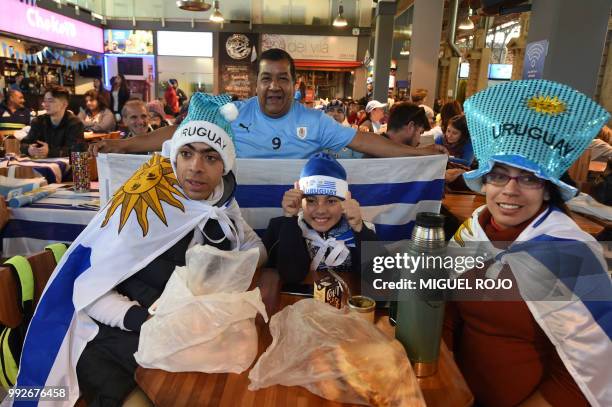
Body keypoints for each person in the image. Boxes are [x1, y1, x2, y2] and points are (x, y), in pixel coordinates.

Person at [16, 93, 267, 407]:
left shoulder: (221, 205)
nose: (196, 168)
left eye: (211, 157)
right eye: (187, 154)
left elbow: (254, 246)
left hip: (174, 333)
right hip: (106, 333)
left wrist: (231, 269)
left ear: (224, 167)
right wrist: (144, 320)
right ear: (174, 157)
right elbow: (89, 291)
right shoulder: (143, 205)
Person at [446, 79, 611, 407]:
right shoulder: (473, 230)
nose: (510, 190)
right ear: (485, 183)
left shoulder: (570, 254)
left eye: (529, 178)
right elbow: (447, 311)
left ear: (548, 189)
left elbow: (589, 372)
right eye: (498, 175)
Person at [90, 48, 446, 159]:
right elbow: (179, 132)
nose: (274, 86)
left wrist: (421, 156)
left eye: (282, 78)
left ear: (294, 84)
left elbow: (366, 142)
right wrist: (121, 145)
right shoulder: (232, 113)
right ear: (256, 83)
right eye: (266, 78)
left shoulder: (315, 120)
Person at [263, 152, 379, 284]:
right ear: (300, 201)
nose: (321, 210)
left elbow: (379, 281)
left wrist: (359, 228)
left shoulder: (364, 230)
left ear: (345, 202)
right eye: (311, 201)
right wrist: (290, 219)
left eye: (331, 201)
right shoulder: (278, 228)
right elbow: (290, 277)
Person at [20, 85, 84, 158]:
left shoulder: (75, 123)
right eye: (44, 101)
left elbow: (78, 152)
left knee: (80, 164)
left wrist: (49, 152)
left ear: (64, 104)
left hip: (68, 166)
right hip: (43, 165)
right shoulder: (38, 121)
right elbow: (23, 144)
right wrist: (29, 149)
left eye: (50, 101)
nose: (45, 105)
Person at [364, 103, 430, 158]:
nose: (419, 141)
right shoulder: (382, 155)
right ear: (411, 126)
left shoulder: (374, 149)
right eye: (420, 132)